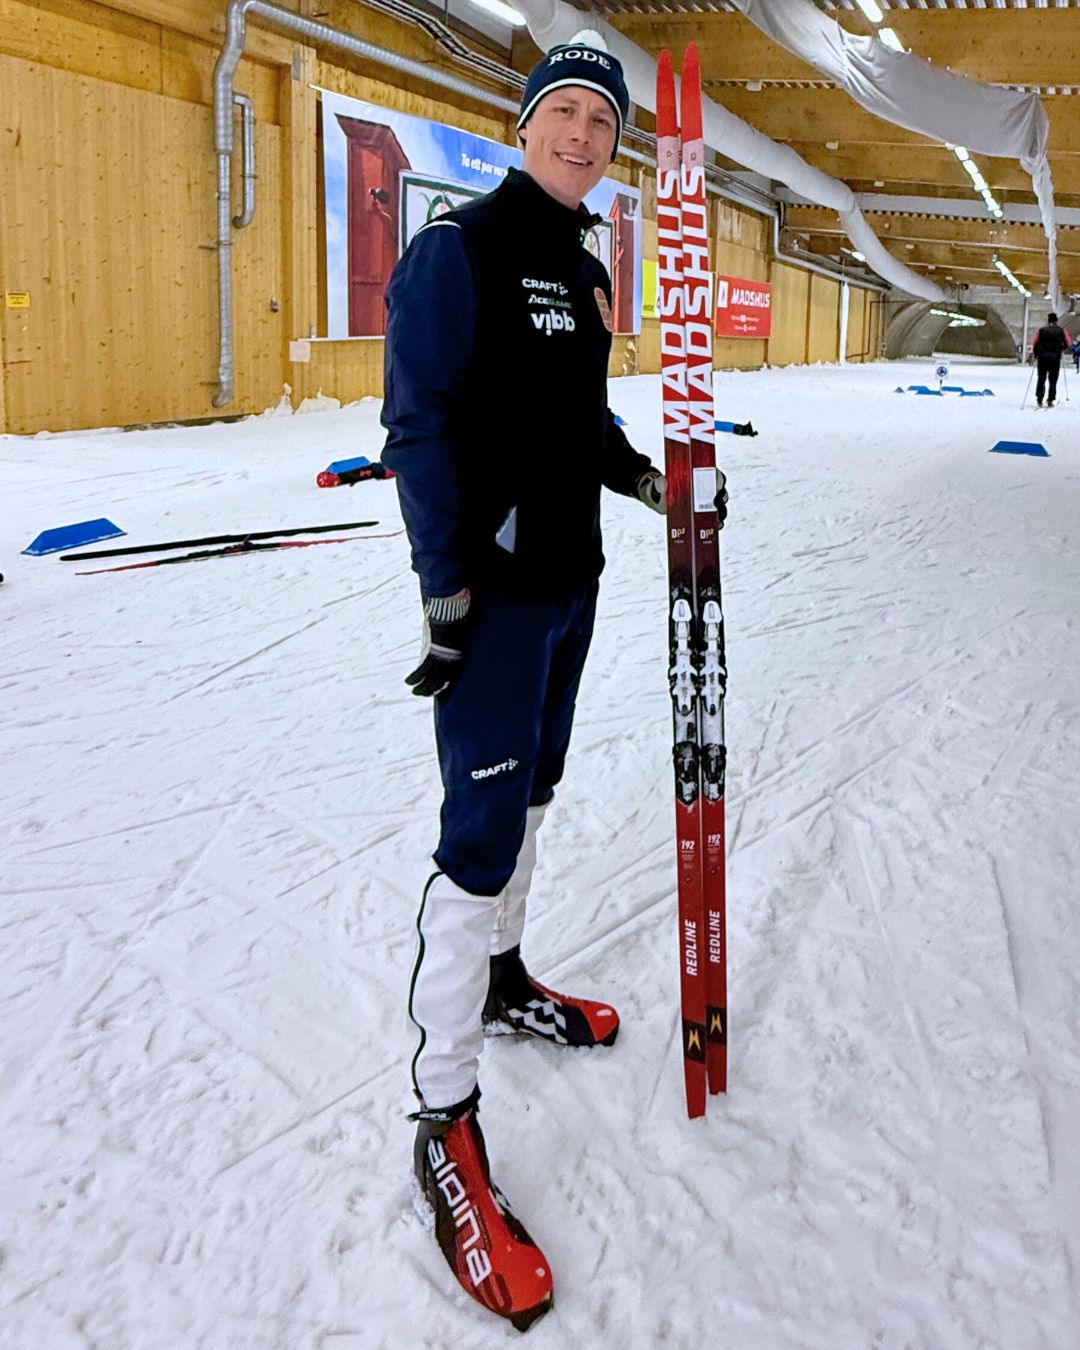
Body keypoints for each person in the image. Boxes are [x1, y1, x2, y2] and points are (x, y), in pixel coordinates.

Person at [380, 30, 726, 1332]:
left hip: (572, 586)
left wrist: (648, 481)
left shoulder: (584, 270)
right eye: (563, 111)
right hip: (497, 602)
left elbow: (579, 421)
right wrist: (446, 590)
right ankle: (444, 1119)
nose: (582, 135)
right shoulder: (455, 252)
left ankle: (509, 975)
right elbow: (415, 424)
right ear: (524, 126)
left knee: (534, 799)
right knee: (477, 841)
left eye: (603, 121)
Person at [1032, 311, 1070, 407]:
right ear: (1056, 320)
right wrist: (1060, 349)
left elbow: (1035, 343)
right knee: (1053, 380)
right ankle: (1050, 399)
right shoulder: (1061, 331)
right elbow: (1068, 343)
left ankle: (1039, 398)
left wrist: (1036, 354)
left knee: (1041, 379)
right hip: (1055, 358)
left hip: (1043, 358)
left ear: (1048, 320)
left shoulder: (1041, 330)